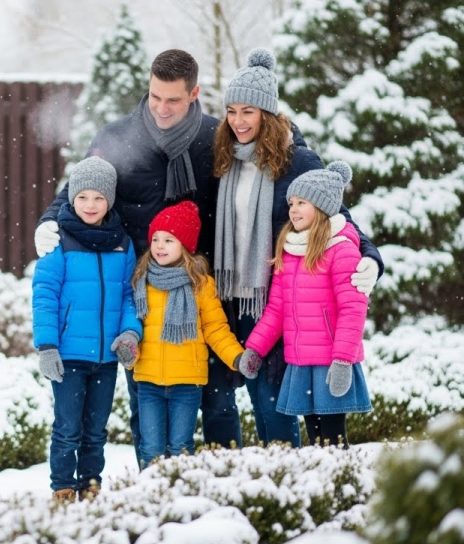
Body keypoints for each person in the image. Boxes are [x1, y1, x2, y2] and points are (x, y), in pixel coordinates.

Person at [34, 49, 383, 455]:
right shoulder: (120, 139)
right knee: (152, 402)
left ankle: (239, 478)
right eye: (155, 97)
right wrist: (50, 219)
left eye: (173, 99)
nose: (162, 108)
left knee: (237, 401)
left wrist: (371, 257)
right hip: (148, 295)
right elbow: (80, 188)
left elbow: (327, 205)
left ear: (194, 93)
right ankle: (163, 491)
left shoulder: (214, 140)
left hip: (222, 294)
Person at [213, 48, 383, 448]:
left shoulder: (298, 162)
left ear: (268, 115)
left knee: (273, 404)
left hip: (272, 298)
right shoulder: (222, 159)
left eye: (249, 112)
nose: (238, 121)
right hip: (225, 297)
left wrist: (371, 259)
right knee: (219, 402)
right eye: (232, 111)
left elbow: (339, 218)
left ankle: (293, 481)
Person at [32, 156, 142, 503]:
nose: (90, 205)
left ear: (109, 199)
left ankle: (91, 485)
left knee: (95, 431)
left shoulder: (122, 242)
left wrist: (129, 332)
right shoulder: (57, 242)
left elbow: (129, 294)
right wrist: (47, 345)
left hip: (106, 356)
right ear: (72, 198)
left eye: (98, 198)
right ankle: (62, 488)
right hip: (67, 354)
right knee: (67, 429)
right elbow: (45, 295)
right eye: (82, 198)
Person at [239, 162, 372, 447]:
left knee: (333, 439)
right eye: (291, 203)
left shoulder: (342, 250)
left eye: (302, 202)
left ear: (323, 207)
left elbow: (353, 310)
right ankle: (320, 487)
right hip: (301, 361)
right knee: (315, 439)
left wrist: (343, 360)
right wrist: (255, 348)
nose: (293, 209)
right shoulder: (290, 251)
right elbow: (277, 309)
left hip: (330, 361)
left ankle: (341, 486)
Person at [129, 201, 257, 468]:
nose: (160, 246)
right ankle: (150, 499)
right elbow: (132, 324)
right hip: (148, 382)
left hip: (187, 383)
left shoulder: (201, 285)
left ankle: (180, 496)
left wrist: (238, 357)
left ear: (186, 246)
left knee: (180, 446)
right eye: (155, 239)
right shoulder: (142, 281)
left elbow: (215, 329)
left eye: (168, 240)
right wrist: (127, 344)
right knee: (150, 447)